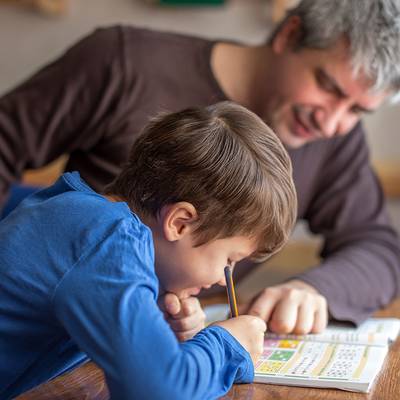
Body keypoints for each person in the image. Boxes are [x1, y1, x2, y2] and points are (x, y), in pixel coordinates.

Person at [0, 0, 399, 334]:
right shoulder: (123, 61)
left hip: (178, 332)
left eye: (359, 111)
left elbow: (378, 247)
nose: (331, 124)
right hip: (71, 330)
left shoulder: (334, 141)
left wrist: (315, 289)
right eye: (327, 86)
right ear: (288, 34)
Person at [0, 102, 297, 399]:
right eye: (229, 261)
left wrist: (153, 320)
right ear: (180, 223)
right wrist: (227, 345)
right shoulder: (109, 239)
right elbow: (158, 391)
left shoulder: (86, 218)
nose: (223, 280)